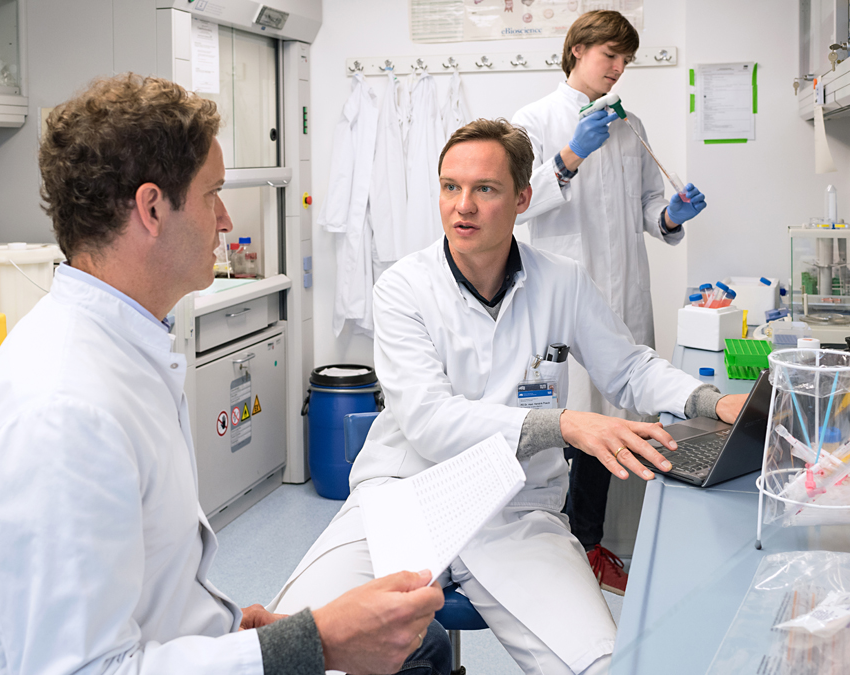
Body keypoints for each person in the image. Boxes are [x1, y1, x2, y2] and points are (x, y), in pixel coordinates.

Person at [0, 73, 450, 675]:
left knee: (424, 641)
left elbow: (155, 589)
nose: (225, 219)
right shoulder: (66, 407)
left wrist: (233, 624)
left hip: (204, 646)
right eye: (212, 195)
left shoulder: (122, 350)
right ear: (152, 208)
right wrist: (311, 646)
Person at [267, 118, 745, 675]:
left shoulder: (561, 280)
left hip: (516, 507)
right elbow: (427, 420)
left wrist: (712, 402)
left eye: (484, 189)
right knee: (295, 649)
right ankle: (424, 655)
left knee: (603, 666)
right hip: (407, 496)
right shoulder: (403, 286)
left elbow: (630, 367)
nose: (462, 205)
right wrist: (564, 425)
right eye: (450, 187)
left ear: (522, 198)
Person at [511, 10, 709, 592]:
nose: (619, 70)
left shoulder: (631, 124)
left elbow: (649, 208)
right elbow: (520, 204)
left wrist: (672, 214)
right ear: (577, 51)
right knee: (572, 421)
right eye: (609, 58)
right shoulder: (533, 121)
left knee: (621, 419)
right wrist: (569, 156)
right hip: (562, 300)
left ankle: (600, 544)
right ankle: (566, 546)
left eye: (625, 61)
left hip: (624, 292)